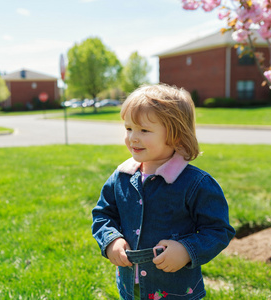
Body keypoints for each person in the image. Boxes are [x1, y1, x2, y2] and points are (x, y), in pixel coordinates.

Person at [91, 84, 235, 300]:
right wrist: (111, 240)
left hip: (175, 290)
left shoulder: (195, 183)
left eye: (144, 130)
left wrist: (187, 250)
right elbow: (103, 215)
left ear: (176, 136)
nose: (133, 138)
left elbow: (218, 230)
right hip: (131, 285)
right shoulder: (121, 177)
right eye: (129, 128)